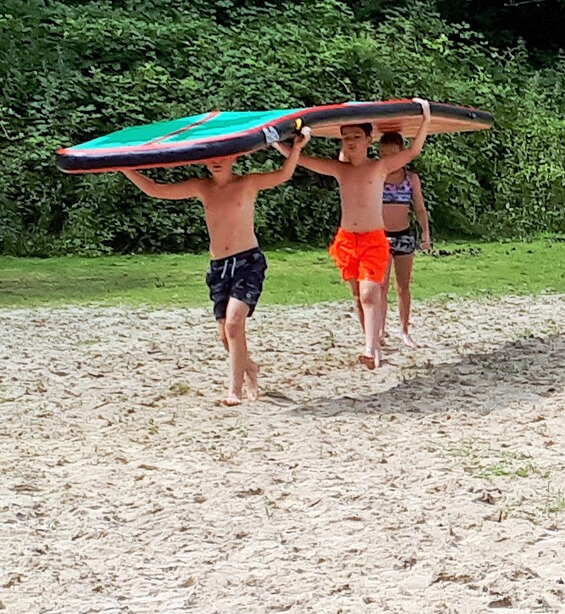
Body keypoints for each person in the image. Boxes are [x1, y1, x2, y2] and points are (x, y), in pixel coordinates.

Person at [121, 127, 310, 406]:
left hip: (248, 262)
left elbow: (283, 175)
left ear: (234, 157)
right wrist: (124, 166)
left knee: (235, 325)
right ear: (203, 159)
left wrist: (296, 148)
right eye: (210, 156)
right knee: (225, 335)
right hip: (219, 267)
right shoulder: (202, 187)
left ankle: (234, 391)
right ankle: (250, 369)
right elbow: (155, 189)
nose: (216, 161)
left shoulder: (247, 183)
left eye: (223, 155)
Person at [278, 99, 431, 369]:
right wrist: (278, 141)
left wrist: (426, 118)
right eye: (347, 137)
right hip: (347, 240)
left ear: (369, 139)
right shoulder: (340, 169)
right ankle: (373, 342)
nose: (351, 142)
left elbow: (413, 151)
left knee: (371, 293)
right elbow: (302, 160)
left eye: (357, 136)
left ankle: (371, 349)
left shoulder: (378, 167)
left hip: (374, 239)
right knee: (359, 297)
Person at [377, 132, 432, 347]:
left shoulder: (411, 178)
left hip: (404, 235)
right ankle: (379, 330)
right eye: (384, 154)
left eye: (393, 154)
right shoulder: (377, 175)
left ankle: (404, 329)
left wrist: (426, 233)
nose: (389, 158)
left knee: (403, 286)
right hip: (380, 237)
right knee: (380, 286)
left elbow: (419, 208)